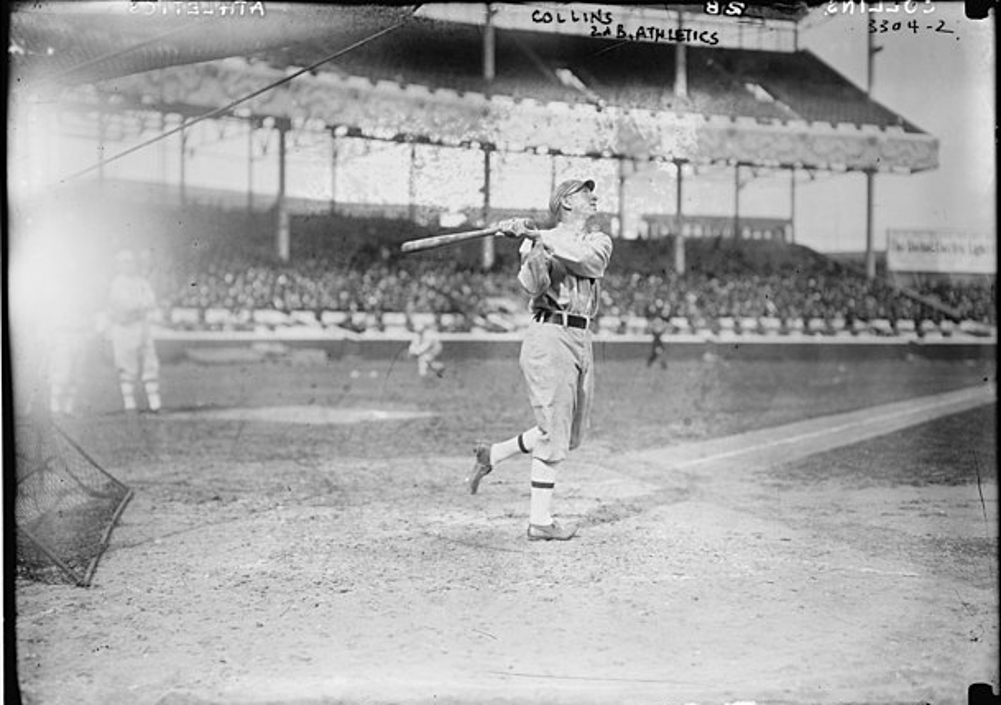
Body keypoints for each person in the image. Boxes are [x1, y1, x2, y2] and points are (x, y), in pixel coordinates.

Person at [467, 178, 613, 542]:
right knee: (554, 431)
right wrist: (529, 244)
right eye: (584, 193)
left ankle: (493, 453)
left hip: (583, 337)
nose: (593, 197)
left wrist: (539, 235)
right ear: (565, 202)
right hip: (549, 335)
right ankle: (540, 522)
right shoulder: (539, 241)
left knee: (570, 434)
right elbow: (533, 286)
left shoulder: (598, 240)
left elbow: (589, 263)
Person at [107, 249, 162, 413]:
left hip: (141, 326)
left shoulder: (142, 282)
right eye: (124, 262)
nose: (128, 266)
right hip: (125, 328)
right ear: (119, 265)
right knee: (126, 366)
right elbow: (126, 305)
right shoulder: (116, 283)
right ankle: (129, 404)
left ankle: (155, 403)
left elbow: (151, 301)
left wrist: (138, 305)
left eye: (130, 262)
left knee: (150, 363)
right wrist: (139, 305)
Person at [646, 299, 670, 369]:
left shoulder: (659, 320)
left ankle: (650, 363)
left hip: (657, 339)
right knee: (659, 352)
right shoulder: (656, 320)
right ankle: (663, 365)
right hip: (656, 339)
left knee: (657, 353)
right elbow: (653, 330)